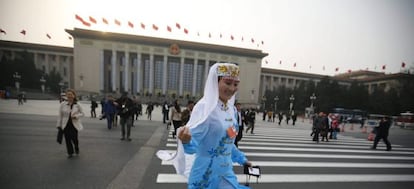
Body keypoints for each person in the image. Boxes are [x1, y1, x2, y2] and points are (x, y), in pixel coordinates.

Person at [156, 63, 252, 189]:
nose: (232, 88)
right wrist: (186, 141)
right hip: (205, 175)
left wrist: (242, 159)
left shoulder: (232, 110)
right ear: (215, 82)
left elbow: (228, 142)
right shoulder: (205, 107)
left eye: (235, 84)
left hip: (226, 173)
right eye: (228, 83)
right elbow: (192, 146)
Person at [56, 89, 84, 158]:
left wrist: (76, 116)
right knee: (67, 139)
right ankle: (70, 152)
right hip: (65, 124)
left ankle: (76, 147)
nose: (69, 96)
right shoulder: (63, 104)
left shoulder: (77, 104)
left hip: (74, 125)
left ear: (74, 96)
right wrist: (59, 125)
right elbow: (60, 115)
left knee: (74, 138)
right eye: (68, 94)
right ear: (66, 96)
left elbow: (83, 113)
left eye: (71, 94)